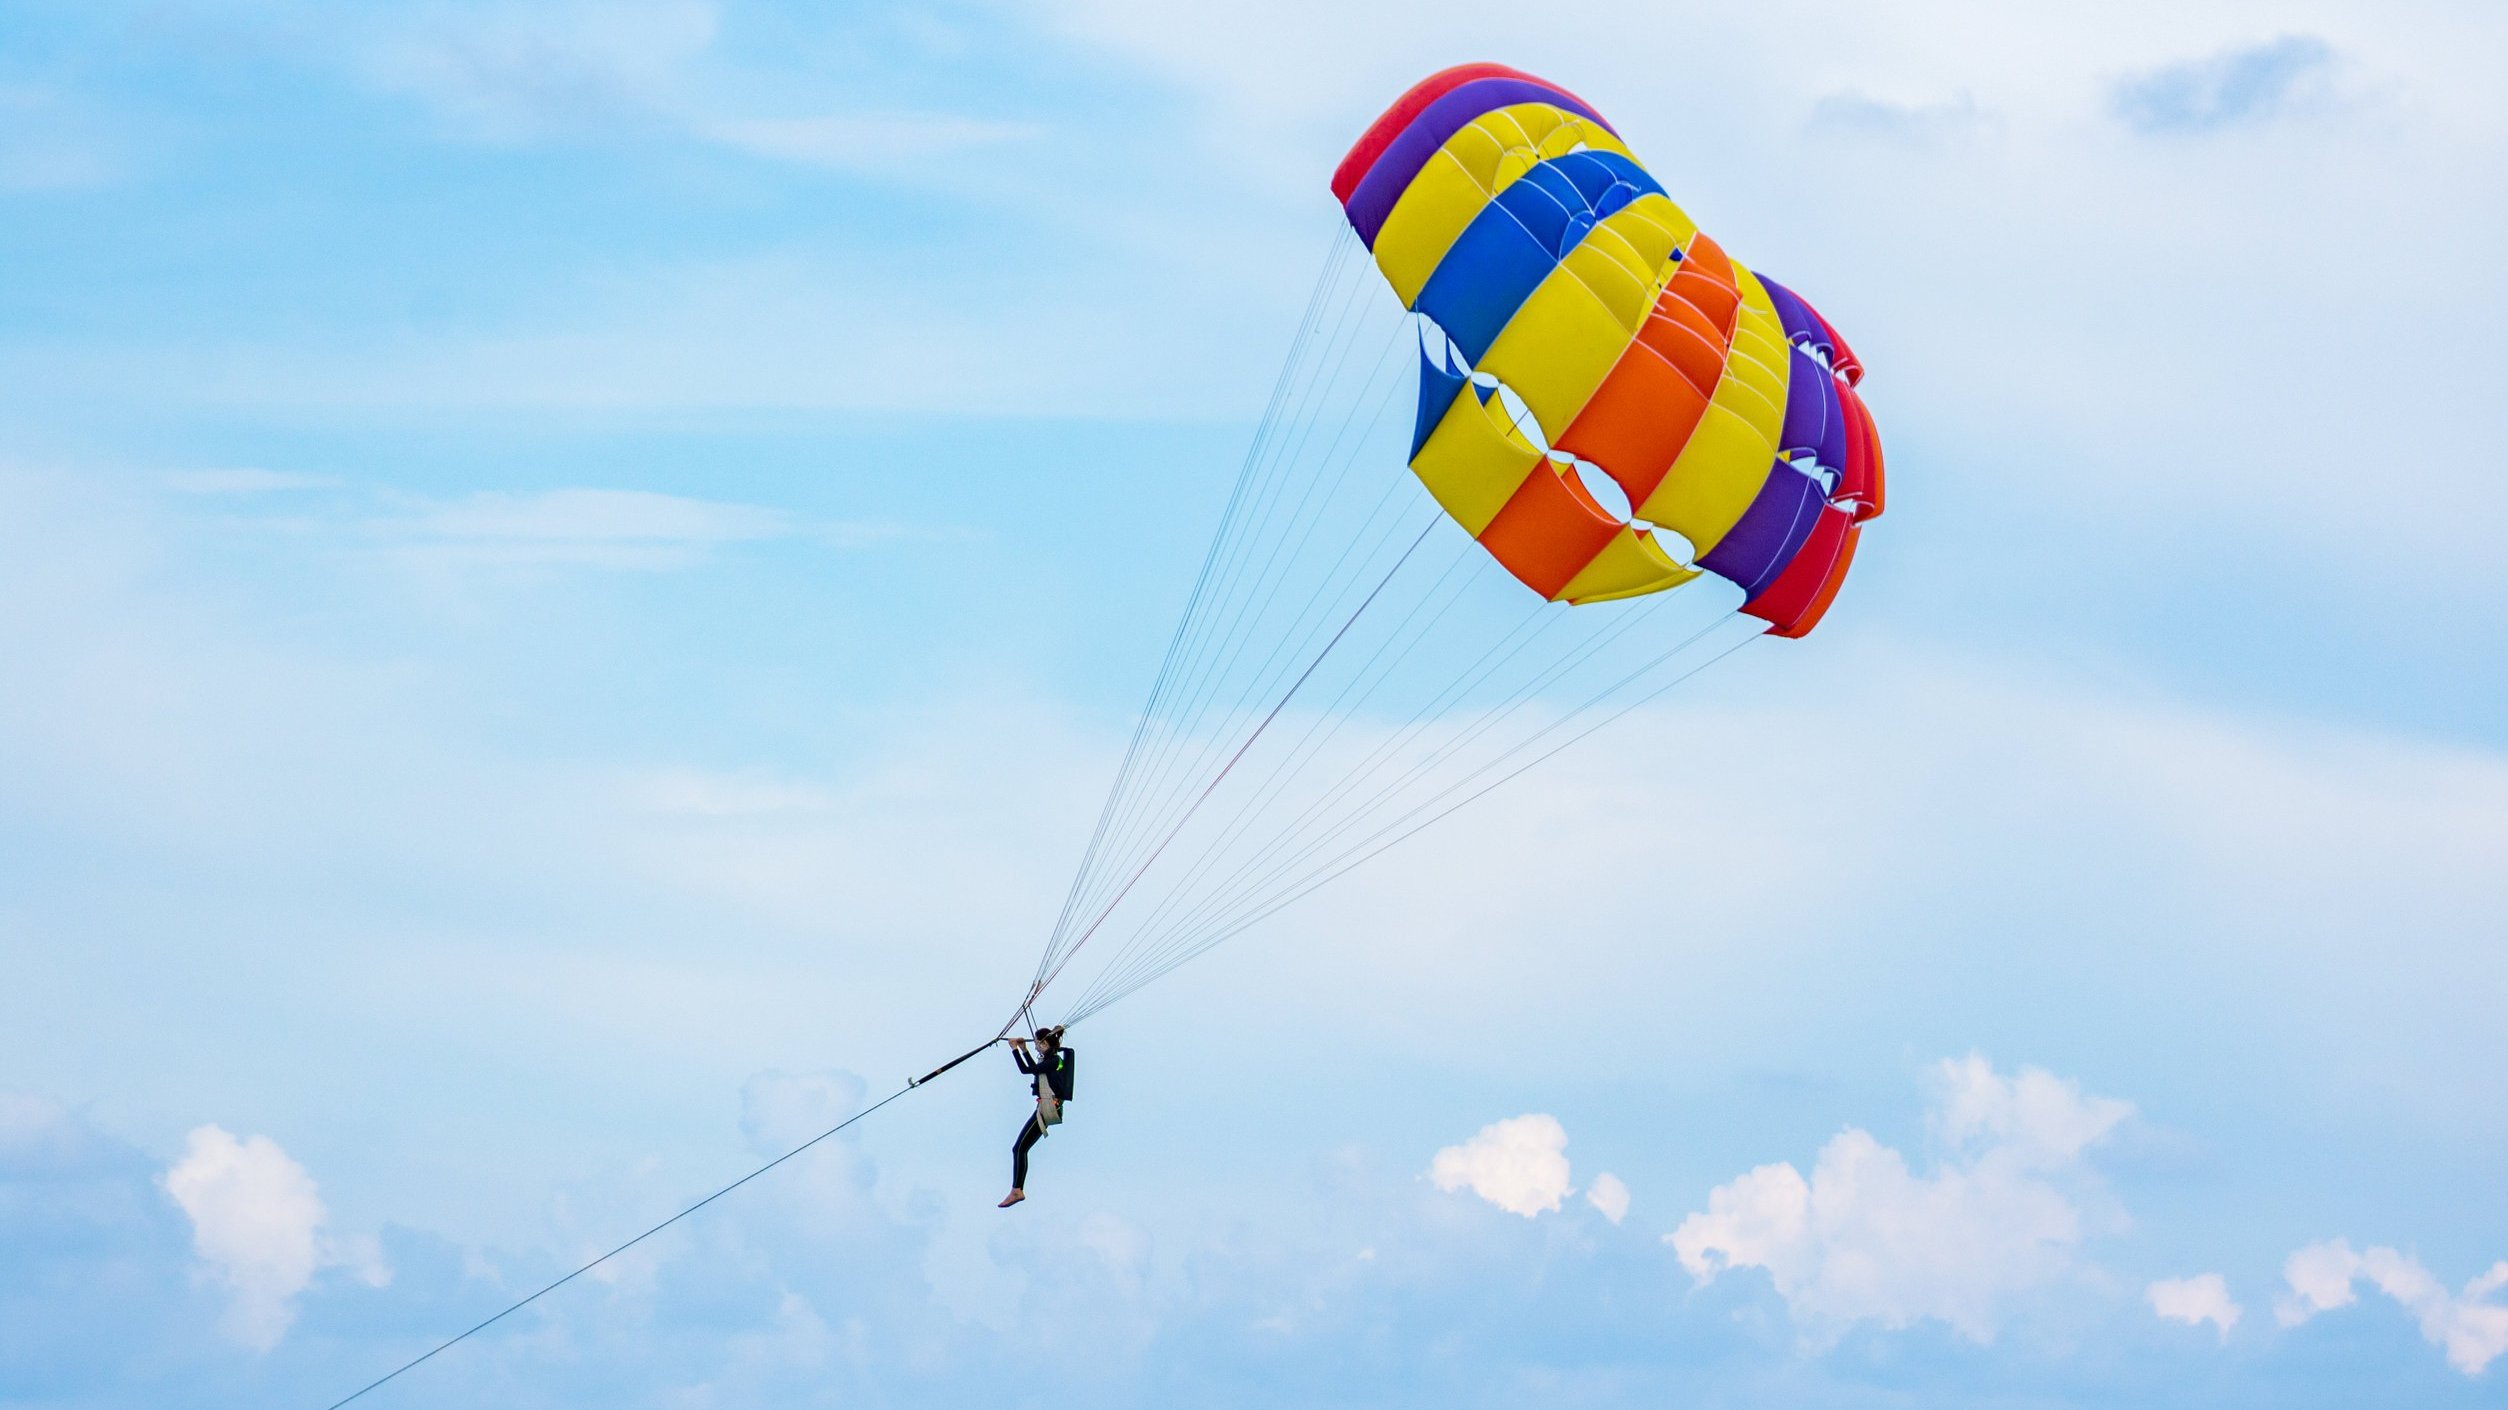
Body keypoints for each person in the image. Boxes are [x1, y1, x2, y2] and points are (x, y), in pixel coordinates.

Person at [998, 1025, 1074, 1208]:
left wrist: (1015, 1050)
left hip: (1047, 1109)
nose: (1035, 1047)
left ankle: (1017, 1190)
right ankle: (1017, 1189)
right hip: (1046, 1108)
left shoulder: (1053, 1061)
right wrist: (1023, 1050)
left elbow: (1027, 1070)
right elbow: (1034, 1068)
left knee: (1019, 1149)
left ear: (1044, 1043)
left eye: (1037, 1044)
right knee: (1020, 1148)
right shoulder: (1051, 1060)